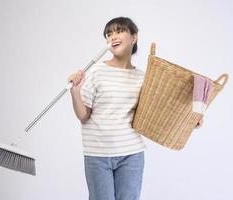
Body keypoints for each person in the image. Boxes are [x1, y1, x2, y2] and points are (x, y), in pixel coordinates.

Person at [68, 16, 202, 200]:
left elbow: (158, 112)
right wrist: (75, 91)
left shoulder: (142, 78)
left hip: (131, 155)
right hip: (97, 155)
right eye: (108, 34)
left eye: (119, 31)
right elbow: (83, 116)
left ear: (134, 37)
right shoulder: (96, 72)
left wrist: (189, 120)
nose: (112, 36)